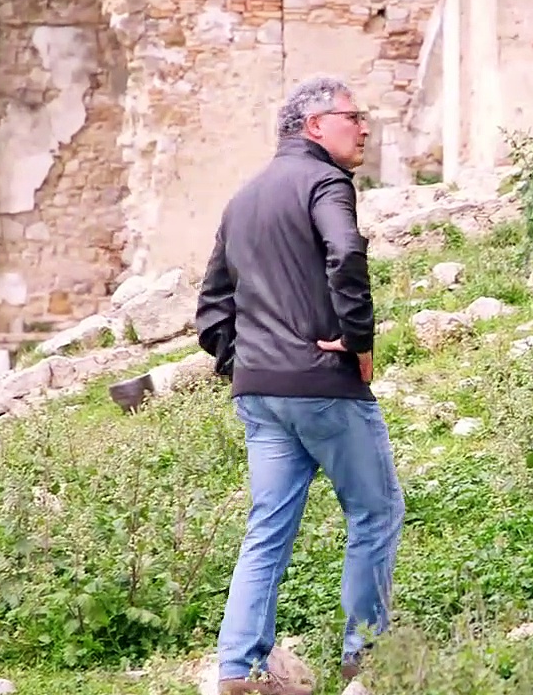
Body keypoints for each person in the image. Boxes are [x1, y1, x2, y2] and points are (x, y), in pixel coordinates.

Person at [195, 75, 405, 695]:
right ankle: (365, 661)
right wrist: (357, 338)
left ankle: (237, 668)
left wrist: (245, 361)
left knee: (267, 528)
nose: (363, 127)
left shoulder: (243, 198)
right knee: (376, 511)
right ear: (315, 125)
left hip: (260, 393)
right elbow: (346, 252)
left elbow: (212, 305)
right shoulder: (325, 182)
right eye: (353, 116)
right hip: (323, 385)